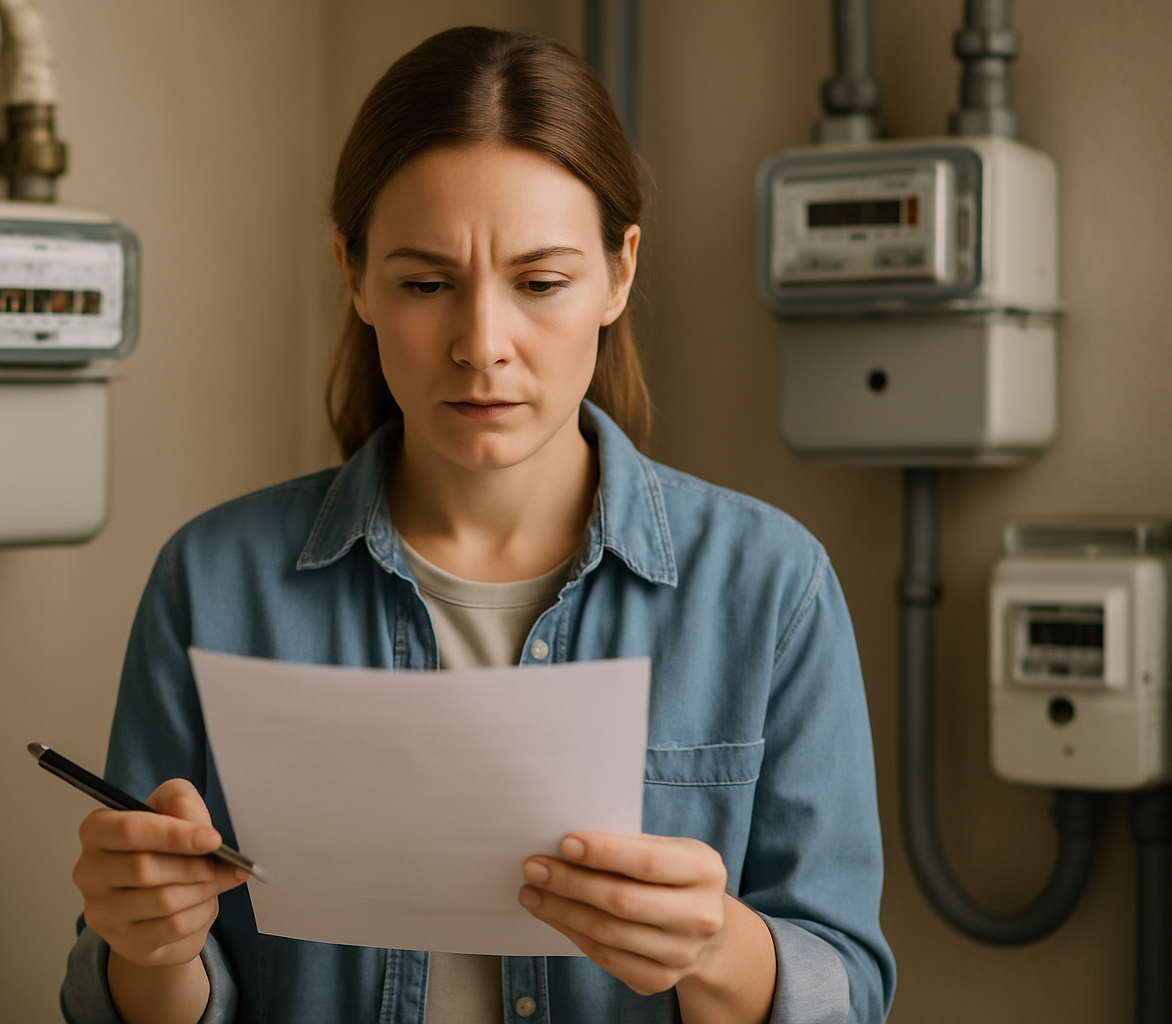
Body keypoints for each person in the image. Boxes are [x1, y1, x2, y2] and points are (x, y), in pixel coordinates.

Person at [60, 25, 895, 1024]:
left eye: (541, 283)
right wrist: (150, 947)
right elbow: (133, 999)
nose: (482, 345)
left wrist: (716, 942)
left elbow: (848, 988)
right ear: (354, 274)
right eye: (425, 284)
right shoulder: (213, 581)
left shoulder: (772, 585)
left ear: (619, 274)